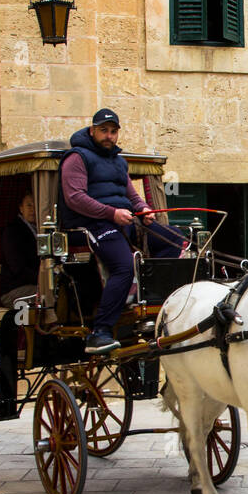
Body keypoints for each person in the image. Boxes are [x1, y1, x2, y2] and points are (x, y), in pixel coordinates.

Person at [59, 108, 186, 354]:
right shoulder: (77, 158)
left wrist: (144, 209)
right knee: (123, 266)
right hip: (92, 225)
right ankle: (100, 332)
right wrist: (111, 213)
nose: (109, 136)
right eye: (104, 130)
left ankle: (148, 296)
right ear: (92, 130)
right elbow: (74, 198)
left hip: (124, 222)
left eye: (113, 131)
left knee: (175, 239)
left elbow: (130, 195)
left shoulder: (119, 161)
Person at [0, 192, 39, 308]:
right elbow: (17, 267)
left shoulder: (40, 229)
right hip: (14, 288)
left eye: (36, 206)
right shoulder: (12, 231)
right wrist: (41, 279)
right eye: (29, 206)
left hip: (33, 283)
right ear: (21, 208)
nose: (33, 210)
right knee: (49, 294)